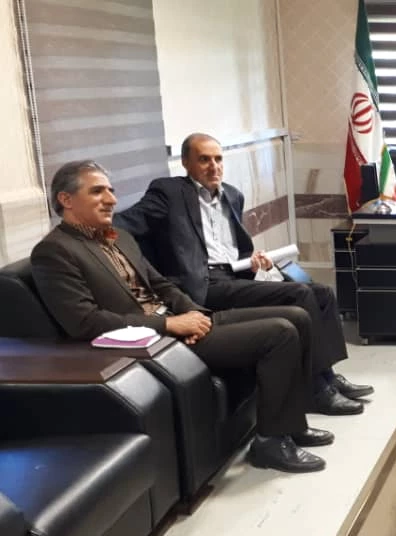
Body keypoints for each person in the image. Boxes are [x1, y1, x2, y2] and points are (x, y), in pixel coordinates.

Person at [32, 160, 332, 474]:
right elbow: (85, 322)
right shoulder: (55, 251)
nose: (111, 199)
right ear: (66, 199)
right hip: (154, 342)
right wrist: (170, 325)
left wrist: (193, 312)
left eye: (111, 190)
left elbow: (161, 284)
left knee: (297, 316)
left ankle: (291, 424)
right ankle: (270, 443)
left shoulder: (118, 237)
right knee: (280, 332)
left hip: (179, 321)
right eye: (97, 192)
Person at [114, 132, 368, 416]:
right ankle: (317, 389)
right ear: (186, 163)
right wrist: (90, 230)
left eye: (218, 159)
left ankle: (328, 375)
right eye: (204, 160)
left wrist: (251, 262)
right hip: (203, 285)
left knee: (322, 293)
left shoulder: (233, 195)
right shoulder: (169, 193)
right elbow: (123, 222)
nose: (214, 167)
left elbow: (231, 249)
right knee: (299, 293)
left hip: (234, 275)